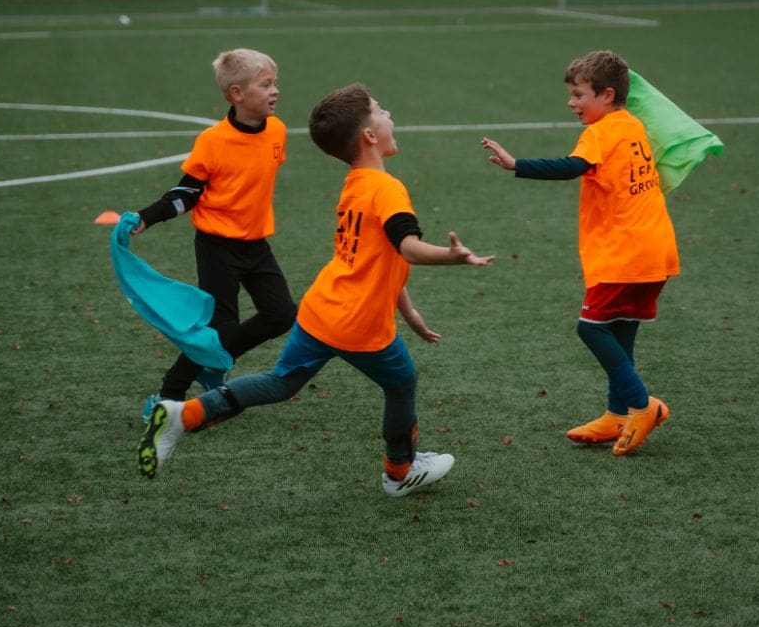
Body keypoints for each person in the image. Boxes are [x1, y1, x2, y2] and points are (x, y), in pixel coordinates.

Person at [138, 83, 494, 497]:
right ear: (369, 135)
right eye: (381, 110)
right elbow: (407, 248)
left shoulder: (356, 183)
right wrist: (452, 256)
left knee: (280, 382)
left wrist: (409, 312)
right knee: (401, 383)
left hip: (321, 310)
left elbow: (375, 258)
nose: (390, 115)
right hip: (358, 324)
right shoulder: (387, 189)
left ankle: (182, 415)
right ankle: (399, 471)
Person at [480, 50, 678, 457]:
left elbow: (572, 166)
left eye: (578, 95)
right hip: (654, 248)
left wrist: (517, 164)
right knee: (620, 333)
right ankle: (618, 414)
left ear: (607, 96)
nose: (571, 102)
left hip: (625, 253)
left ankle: (642, 406)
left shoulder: (600, 132)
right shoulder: (632, 124)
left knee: (591, 328)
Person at [131, 48, 297, 420]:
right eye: (265, 84)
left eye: (275, 83)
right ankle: (168, 395)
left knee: (281, 315)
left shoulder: (278, 131)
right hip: (217, 247)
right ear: (237, 94)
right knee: (221, 326)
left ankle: (213, 363)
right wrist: (148, 217)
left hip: (256, 244)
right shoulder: (213, 141)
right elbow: (187, 193)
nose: (275, 91)